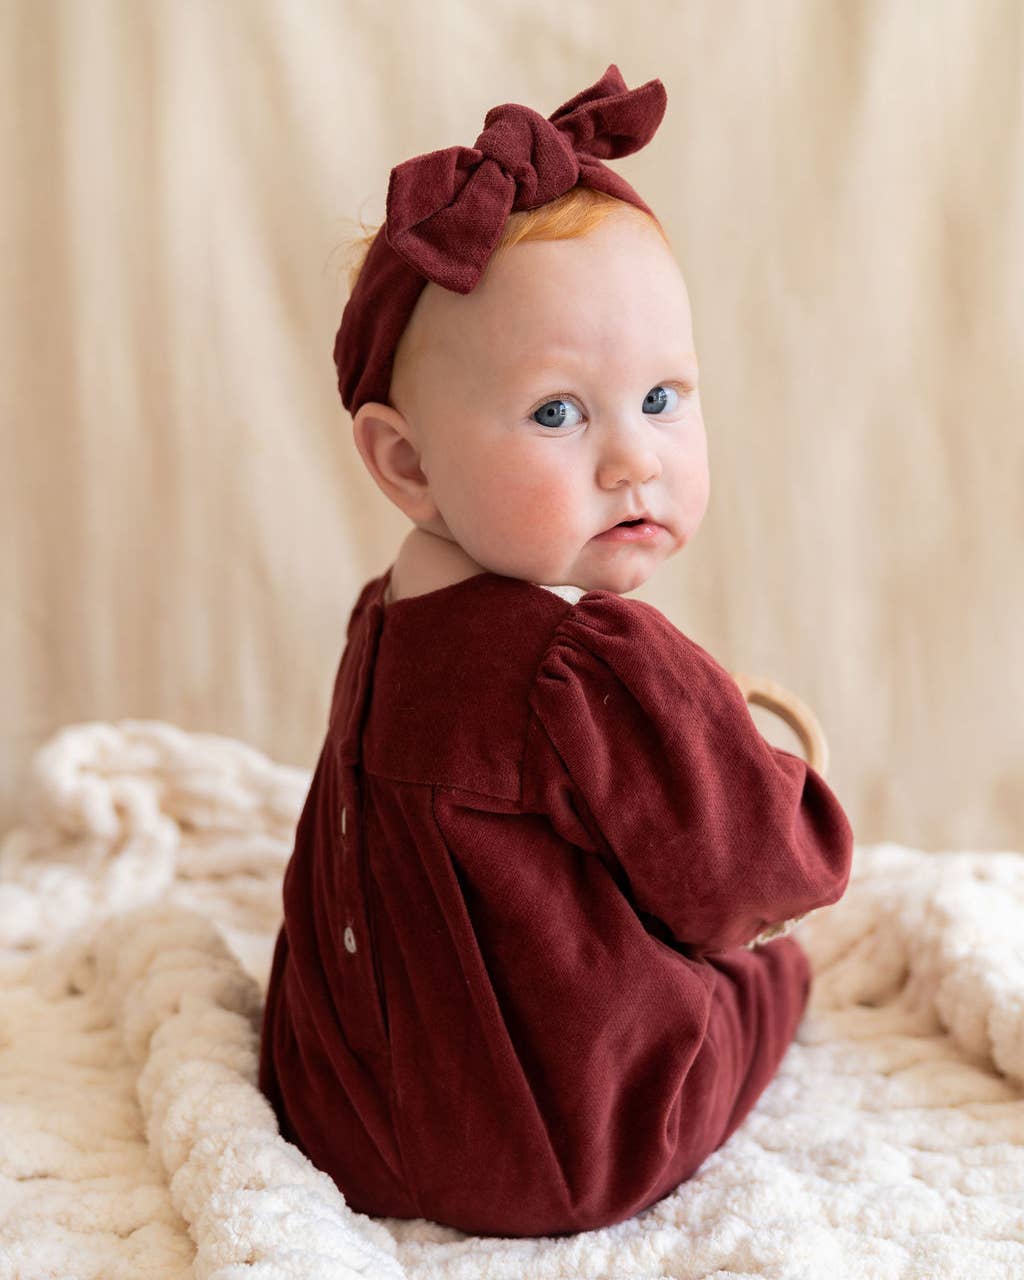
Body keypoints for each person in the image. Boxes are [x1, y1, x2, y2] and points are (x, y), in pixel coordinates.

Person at [257, 63, 854, 1238]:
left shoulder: (384, 615)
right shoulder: (584, 662)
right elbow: (756, 871)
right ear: (408, 463)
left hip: (337, 1104)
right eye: (556, 413)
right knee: (759, 980)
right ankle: (760, 1012)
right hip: (552, 1147)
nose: (633, 458)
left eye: (664, 396)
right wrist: (783, 787)